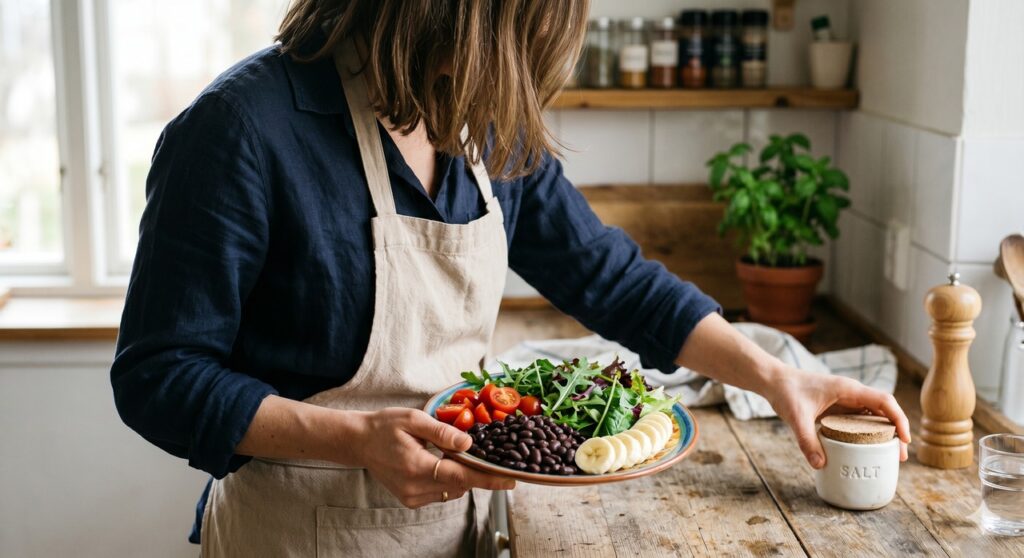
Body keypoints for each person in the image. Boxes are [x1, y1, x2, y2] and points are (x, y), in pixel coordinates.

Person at [110, 1, 911, 556]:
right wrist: (358, 440)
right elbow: (158, 374)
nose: (519, 80)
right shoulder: (241, 130)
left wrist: (778, 378)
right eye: (515, 42)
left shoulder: (472, 119)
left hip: (449, 534)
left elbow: (610, 278)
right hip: (293, 539)